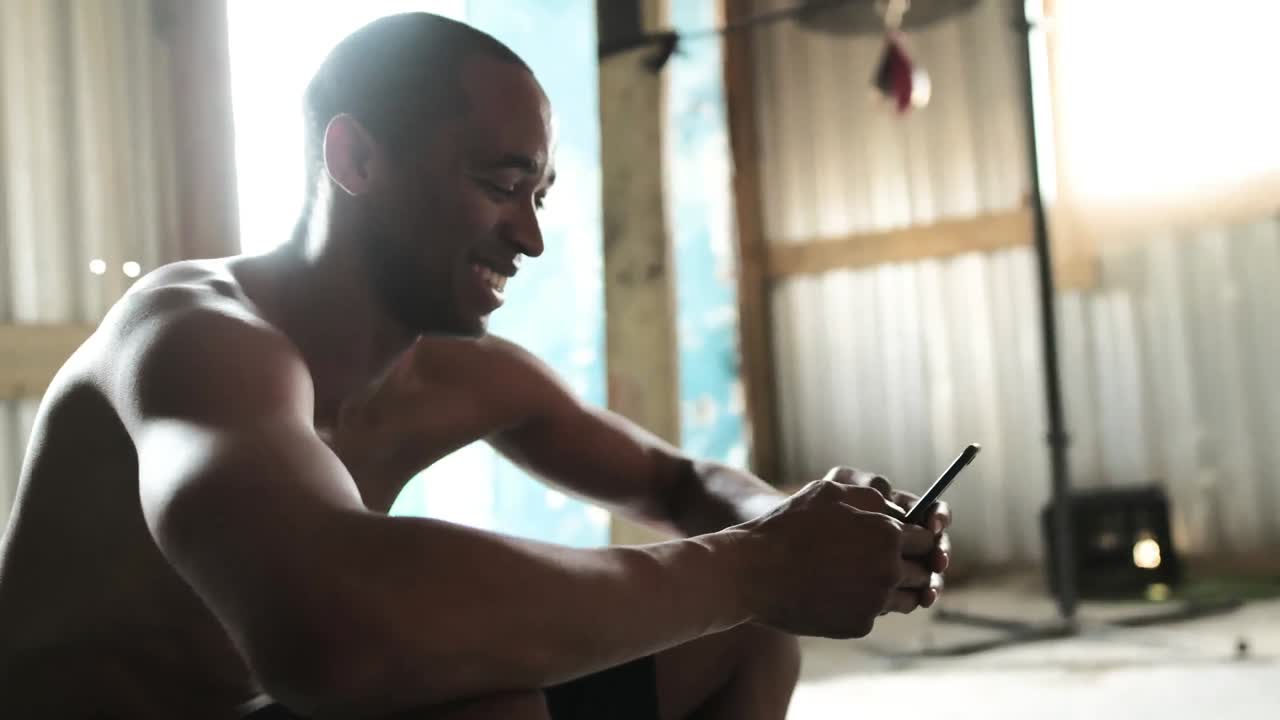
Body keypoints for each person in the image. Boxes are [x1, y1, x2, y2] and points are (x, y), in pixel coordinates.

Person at [0, 13, 951, 720]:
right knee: (466, 699)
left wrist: (820, 531)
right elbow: (333, 632)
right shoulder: (192, 338)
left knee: (749, 631)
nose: (530, 237)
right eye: (502, 185)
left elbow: (681, 481)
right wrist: (760, 563)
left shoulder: (466, 372)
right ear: (355, 158)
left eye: (540, 195)